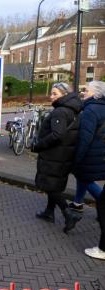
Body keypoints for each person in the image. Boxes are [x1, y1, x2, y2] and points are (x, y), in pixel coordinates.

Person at [32, 82, 82, 233]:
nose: (51, 96)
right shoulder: (74, 110)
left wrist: (38, 145)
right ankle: (49, 212)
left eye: (55, 94)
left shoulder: (60, 111)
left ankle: (69, 215)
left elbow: (57, 135)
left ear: (64, 95)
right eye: (51, 93)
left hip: (54, 155)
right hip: (64, 154)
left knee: (50, 186)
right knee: (53, 184)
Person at [69, 81, 105, 215]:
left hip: (89, 154)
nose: (83, 92)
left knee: (85, 178)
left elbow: (84, 139)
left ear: (96, 95)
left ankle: (103, 204)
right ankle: (77, 203)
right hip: (100, 154)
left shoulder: (90, 111)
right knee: (82, 177)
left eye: (86, 90)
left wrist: (76, 159)